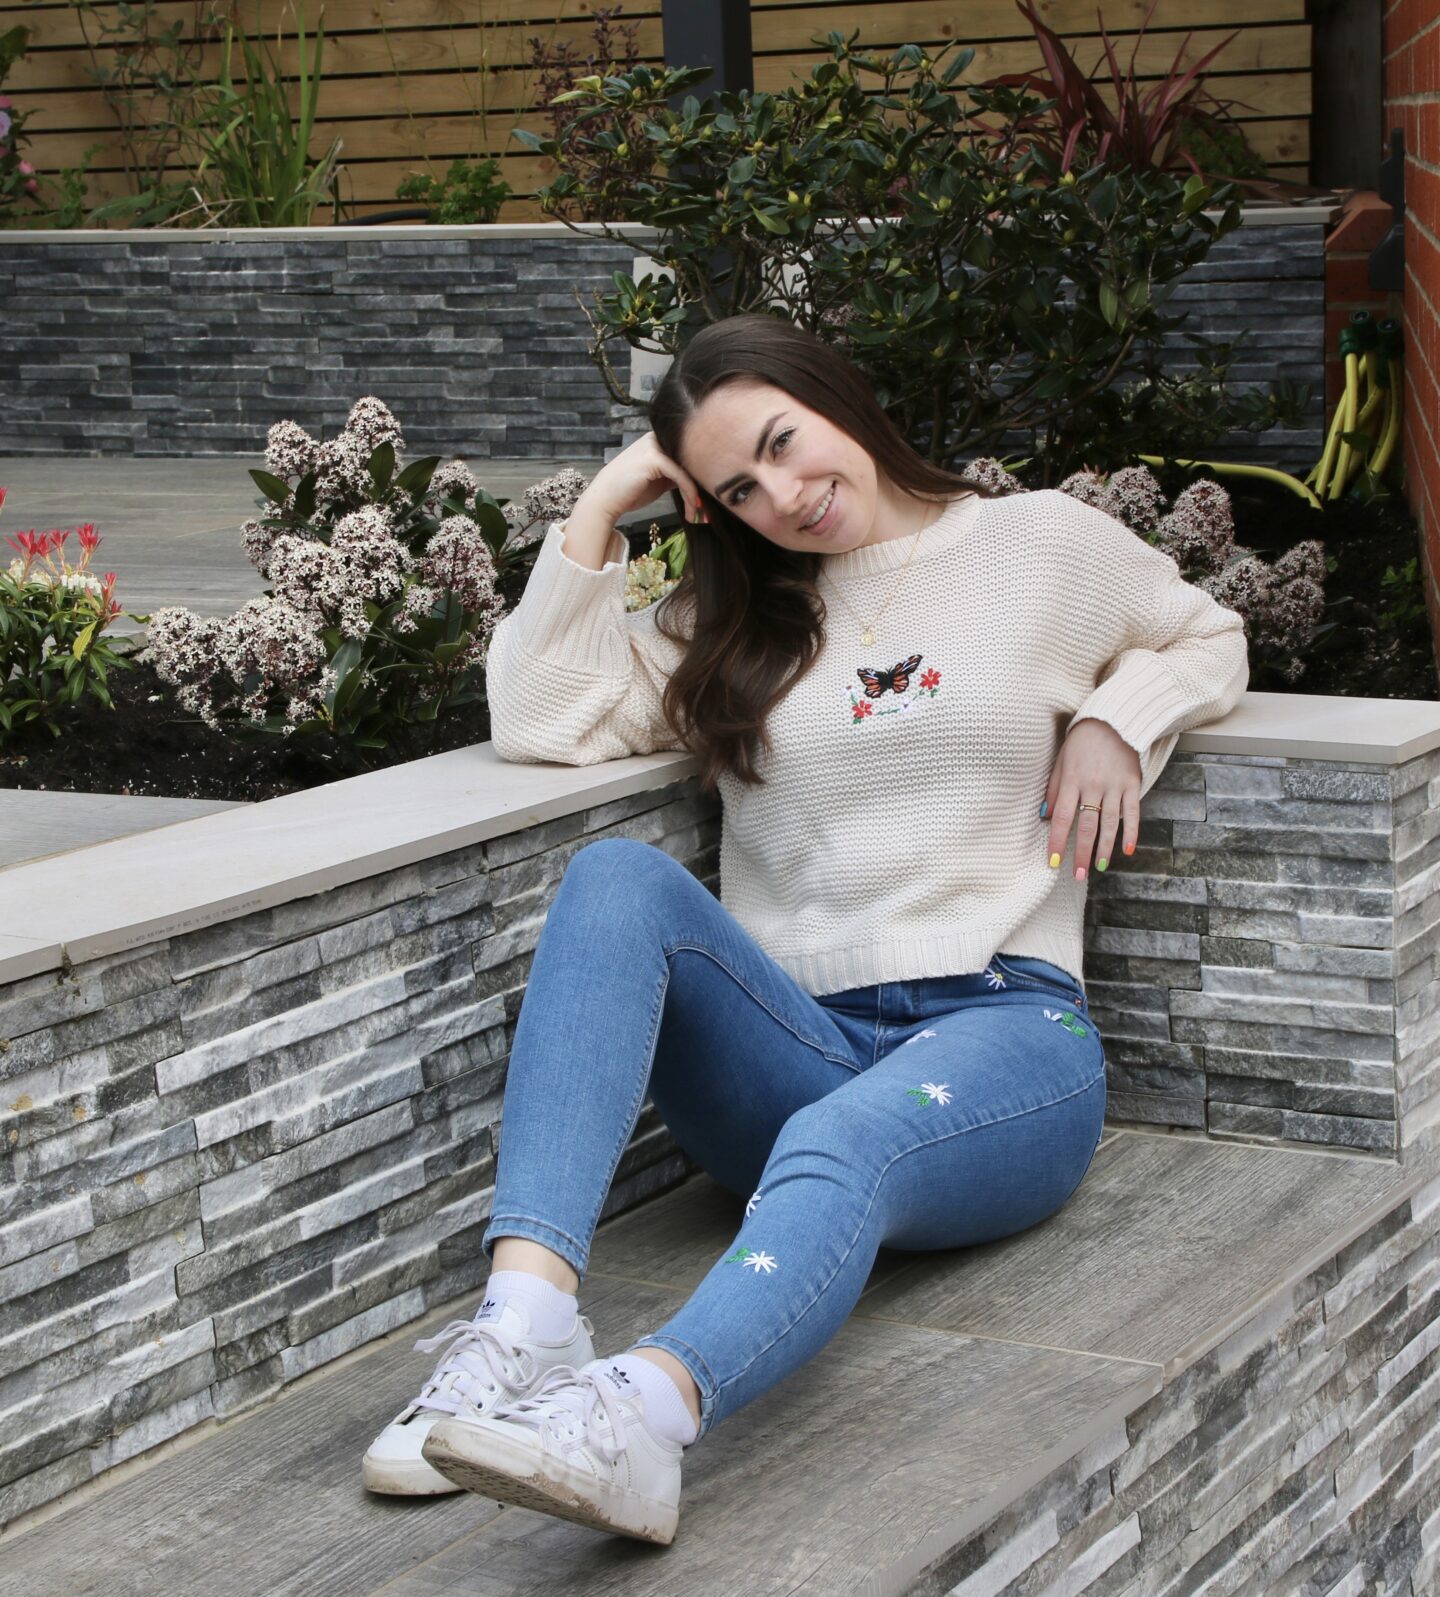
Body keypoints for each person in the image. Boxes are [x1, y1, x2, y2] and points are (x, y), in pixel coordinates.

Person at [360, 313, 1248, 1544]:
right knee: (617, 881)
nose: (785, 494)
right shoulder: (731, 628)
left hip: (1004, 1032)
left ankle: (644, 1419)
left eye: (785, 442)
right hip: (796, 1042)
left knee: (846, 1139)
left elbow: (1209, 630)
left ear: (836, 395)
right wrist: (609, 504)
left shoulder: (1038, 544)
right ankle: (526, 1323)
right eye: (739, 486)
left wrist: (1118, 717)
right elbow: (544, 714)